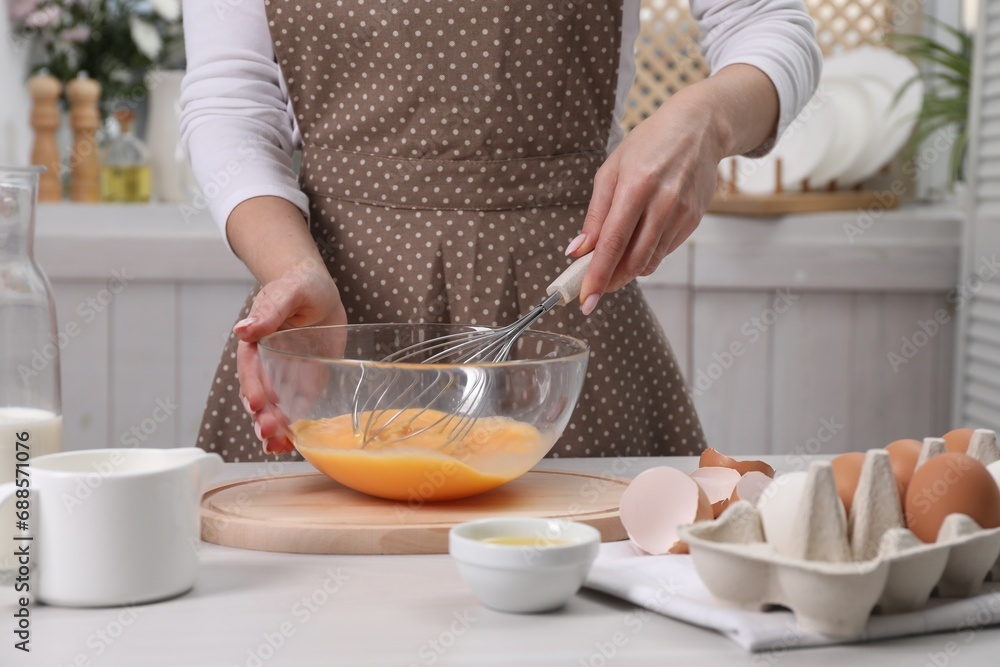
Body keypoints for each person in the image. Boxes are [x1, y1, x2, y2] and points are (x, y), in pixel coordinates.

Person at [179, 0, 821, 462]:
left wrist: (707, 118)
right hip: (329, 337)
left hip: (563, 330)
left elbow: (768, 23)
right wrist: (289, 268)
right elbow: (231, 100)